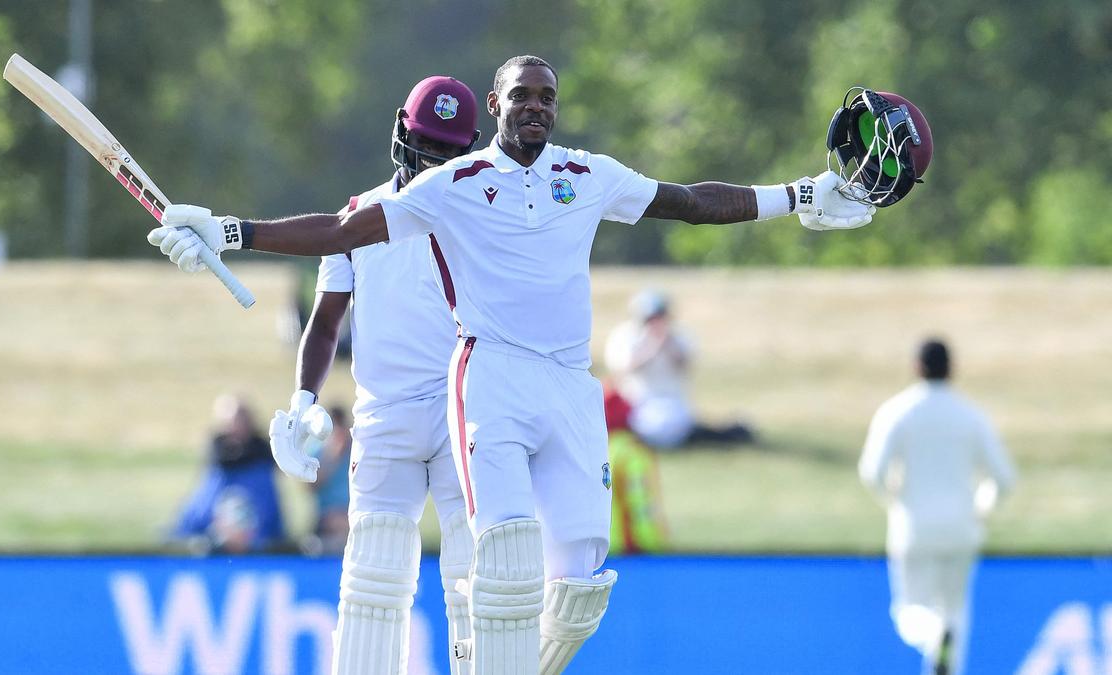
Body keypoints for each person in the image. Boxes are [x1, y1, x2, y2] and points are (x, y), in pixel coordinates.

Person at [148, 54, 875, 674]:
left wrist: (798, 196)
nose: (535, 107)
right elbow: (338, 246)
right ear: (495, 106)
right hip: (463, 389)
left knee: (571, 589)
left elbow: (687, 201)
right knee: (418, 573)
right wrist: (230, 232)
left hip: (553, 387)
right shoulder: (448, 187)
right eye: (521, 95)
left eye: (546, 96)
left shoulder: (586, 174)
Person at [265, 75, 482, 675]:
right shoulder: (357, 218)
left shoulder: (482, 215)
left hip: (464, 409)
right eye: (425, 145)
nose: (432, 162)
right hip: (385, 415)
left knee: (472, 579)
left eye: (447, 152)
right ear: (401, 133)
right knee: (373, 582)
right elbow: (325, 321)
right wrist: (304, 397)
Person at [859, 338, 1017, 675]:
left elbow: (872, 471)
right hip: (962, 528)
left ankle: (933, 632)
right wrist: (982, 507)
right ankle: (942, 640)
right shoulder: (970, 415)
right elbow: (1003, 477)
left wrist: (893, 500)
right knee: (955, 616)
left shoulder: (898, 411)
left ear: (916, 367)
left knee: (910, 612)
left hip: (914, 527)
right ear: (952, 368)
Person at [605, 289, 754, 449]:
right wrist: (650, 348)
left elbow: (685, 365)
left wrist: (667, 344)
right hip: (637, 403)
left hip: (674, 401)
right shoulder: (625, 336)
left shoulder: (679, 336)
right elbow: (623, 370)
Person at [171, 394, 285, 553]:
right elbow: (199, 513)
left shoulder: (262, 465)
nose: (235, 429)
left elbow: (270, 516)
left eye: (241, 421)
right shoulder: (216, 467)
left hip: (256, 547)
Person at [602, 386, 668, 554]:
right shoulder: (633, 454)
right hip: (631, 550)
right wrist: (654, 544)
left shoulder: (597, 451)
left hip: (601, 549)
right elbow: (640, 505)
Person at [300, 404, 351, 557]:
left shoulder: (357, 450)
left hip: (352, 514)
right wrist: (332, 456)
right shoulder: (317, 449)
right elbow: (310, 486)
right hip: (326, 517)